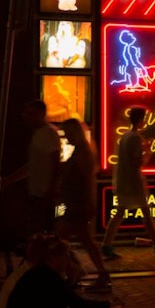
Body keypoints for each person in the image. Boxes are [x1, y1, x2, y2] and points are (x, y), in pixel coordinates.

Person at [55, 119, 112, 292]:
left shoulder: (81, 153)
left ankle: (74, 271)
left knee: (61, 238)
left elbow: (86, 181)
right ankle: (86, 271)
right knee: (83, 239)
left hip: (75, 202)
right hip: (73, 201)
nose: (65, 136)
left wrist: (87, 202)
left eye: (67, 133)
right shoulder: (81, 151)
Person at [103, 106, 155, 260]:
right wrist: (148, 151)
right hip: (133, 182)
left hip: (123, 180)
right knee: (146, 213)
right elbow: (137, 162)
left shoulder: (124, 137)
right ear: (141, 120)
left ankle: (107, 244)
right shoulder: (136, 138)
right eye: (145, 118)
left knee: (120, 212)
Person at [4, 100, 62, 238]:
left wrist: (51, 190)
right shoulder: (38, 134)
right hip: (37, 193)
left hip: (44, 195)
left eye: (30, 113)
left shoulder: (49, 133)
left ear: (41, 114)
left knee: (43, 233)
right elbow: (33, 165)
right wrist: (11, 179)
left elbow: (56, 164)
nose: (26, 116)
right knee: (38, 232)